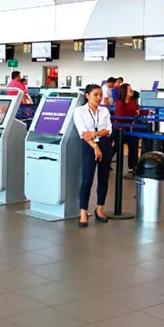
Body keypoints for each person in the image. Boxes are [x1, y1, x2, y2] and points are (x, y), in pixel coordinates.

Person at [74, 84, 113, 227]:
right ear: (87, 95)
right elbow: (83, 133)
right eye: (95, 95)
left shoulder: (104, 111)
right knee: (87, 180)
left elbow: (108, 130)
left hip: (105, 145)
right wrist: (95, 146)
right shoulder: (79, 111)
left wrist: (95, 133)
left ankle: (100, 209)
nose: (98, 98)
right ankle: (83, 211)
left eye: (100, 95)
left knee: (103, 178)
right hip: (89, 146)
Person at [114, 83, 140, 174]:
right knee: (116, 148)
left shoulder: (132, 101)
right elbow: (119, 117)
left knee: (132, 147)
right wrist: (134, 114)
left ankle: (132, 167)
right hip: (120, 130)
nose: (132, 90)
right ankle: (107, 161)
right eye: (129, 89)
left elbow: (137, 110)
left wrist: (147, 111)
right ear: (125, 92)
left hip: (130, 129)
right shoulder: (119, 103)